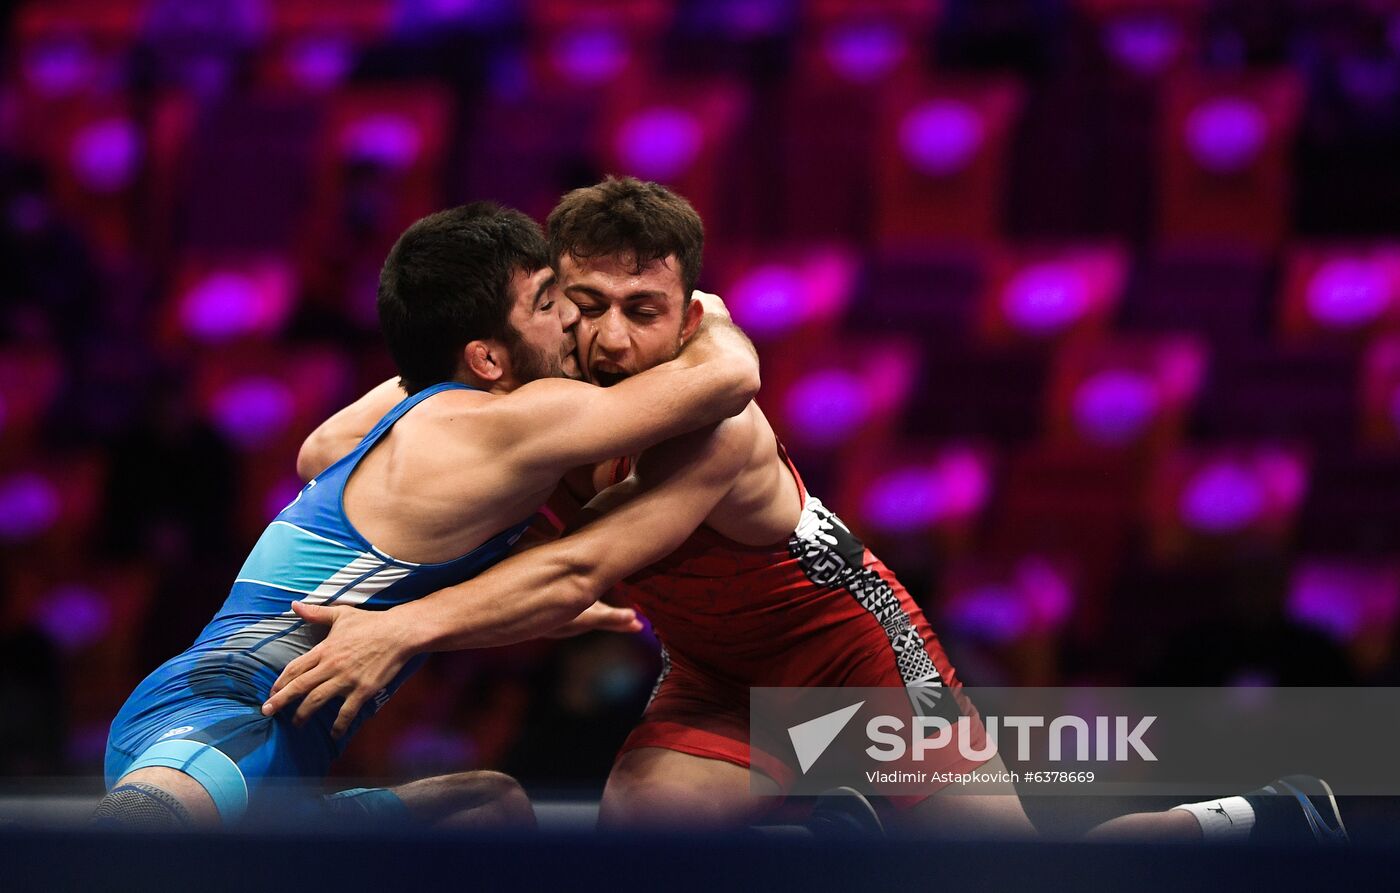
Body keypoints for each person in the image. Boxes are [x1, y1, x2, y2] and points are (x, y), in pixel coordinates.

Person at [263, 180, 1346, 845]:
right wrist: (448, 383)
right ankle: (810, 831)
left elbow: (577, 572)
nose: (610, 339)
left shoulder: (716, 428)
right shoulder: (532, 398)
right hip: (717, 677)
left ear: (687, 318)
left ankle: (1247, 818)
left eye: (644, 313)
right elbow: (328, 450)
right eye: (584, 305)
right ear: (547, 301)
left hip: (855, 666)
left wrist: (403, 624)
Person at [97, 201, 760, 829]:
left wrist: (441, 617)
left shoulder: (702, 433)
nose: (586, 326)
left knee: (493, 810)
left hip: (821, 669)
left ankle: (842, 813)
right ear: (486, 357)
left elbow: (320, 451)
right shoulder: (534, 424)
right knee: (651, 815)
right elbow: (575, 565)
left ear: (682, 324)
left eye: (636, 308)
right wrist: (716, 319)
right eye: (564, 302)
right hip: (221, 713)